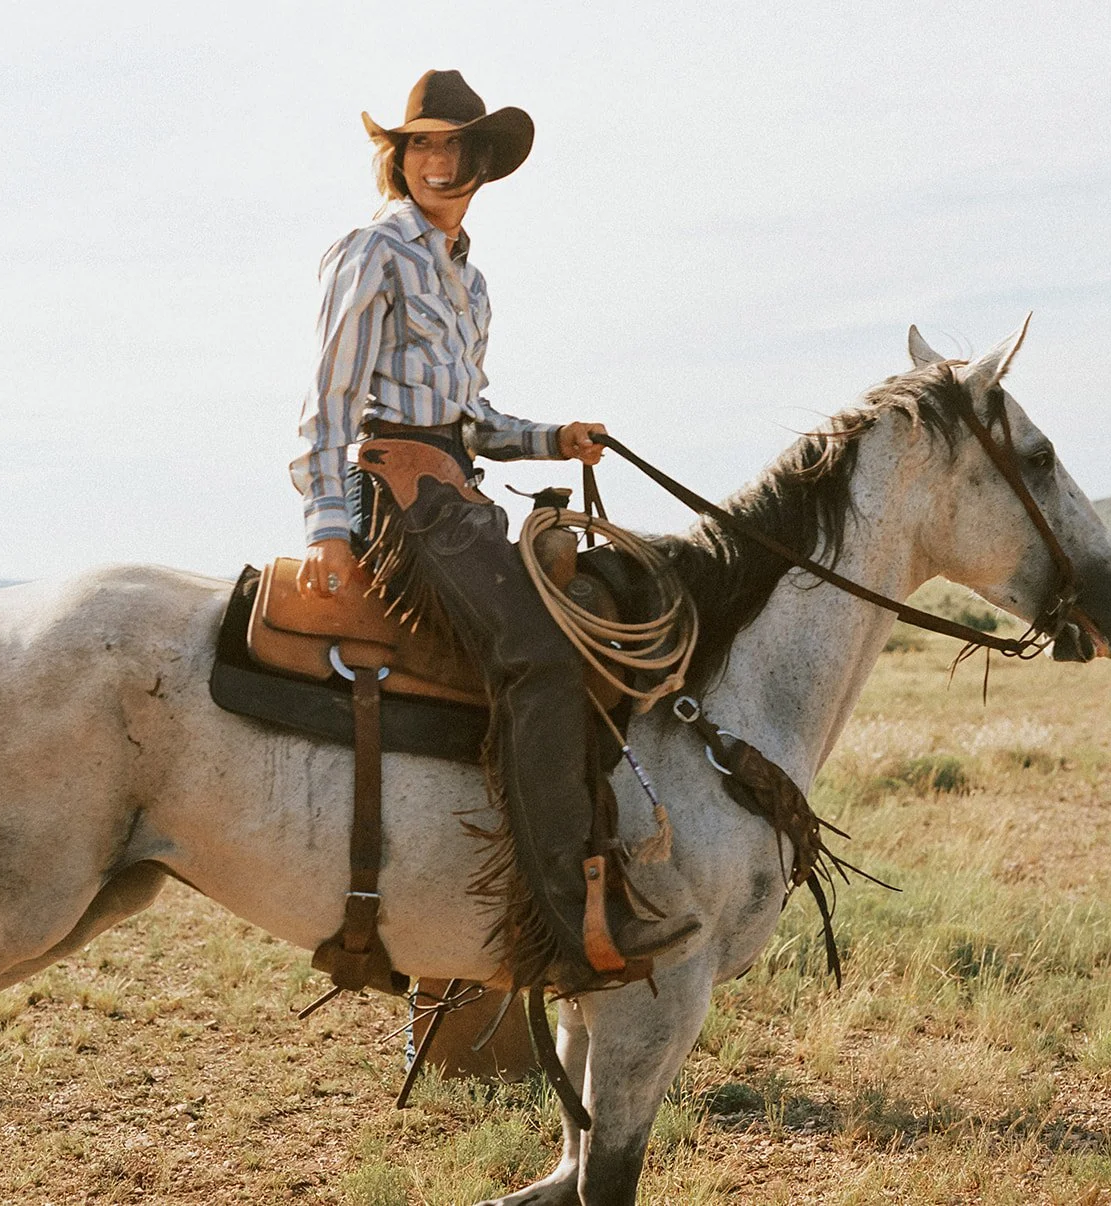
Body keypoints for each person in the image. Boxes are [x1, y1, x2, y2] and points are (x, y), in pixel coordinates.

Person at [291, 69, 697, 992]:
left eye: (457, 149)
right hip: (398, 494)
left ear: (481, 165)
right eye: (422, 146)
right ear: (399, 161)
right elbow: (328, 402)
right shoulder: (372, 250)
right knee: (538, 656)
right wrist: (327, 526)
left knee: (591, 618)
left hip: (456, 488)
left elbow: (468, 419)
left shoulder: (468, 280)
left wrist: (553, 438)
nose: (441, 163)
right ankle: (568, 923)